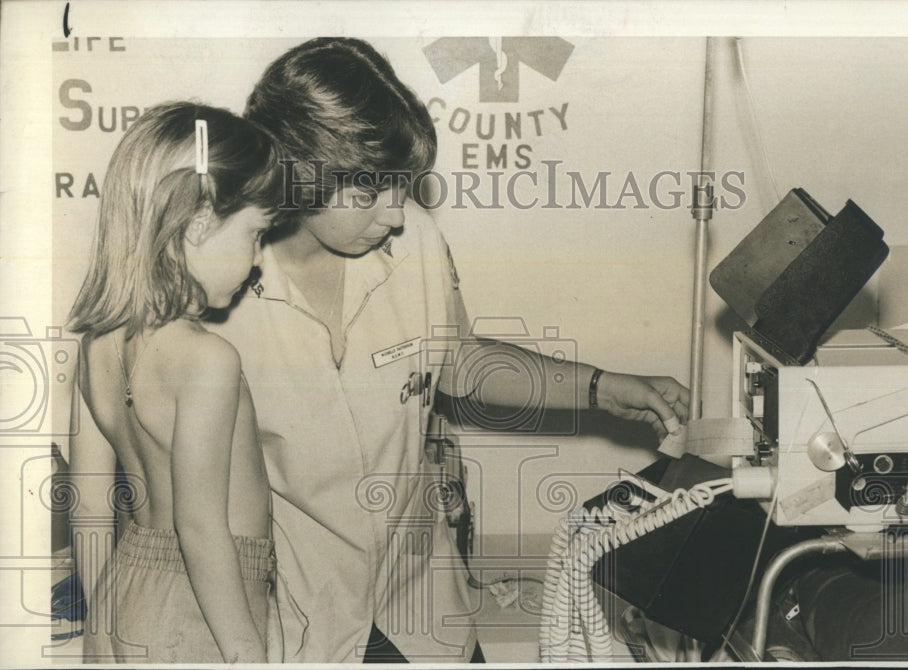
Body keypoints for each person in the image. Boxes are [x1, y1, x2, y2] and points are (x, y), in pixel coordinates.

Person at [207, 37, 690, 663]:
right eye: (372, 190)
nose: (397, 214)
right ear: (302, 172)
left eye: (402, 187)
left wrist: (602, 387)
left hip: (422, 601)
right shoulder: (220, 287)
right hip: (295, 616)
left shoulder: (414, 244)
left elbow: (459, 362)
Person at [67, 102, 283, 663]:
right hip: (206, 609)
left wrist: (104, 619)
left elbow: (89, 506)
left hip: (121, 593)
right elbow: (201, 529)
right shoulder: (208, 358)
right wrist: (246, 653)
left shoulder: (97, 346)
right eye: (256, 234)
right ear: (199, 225)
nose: (259, 259)